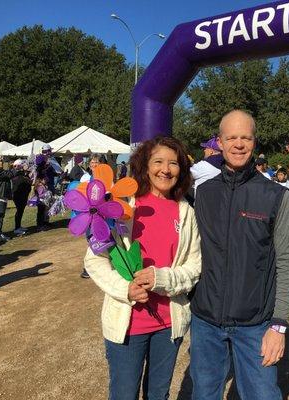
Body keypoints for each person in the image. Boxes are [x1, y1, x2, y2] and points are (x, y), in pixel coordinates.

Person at [83, 136, 201, 400]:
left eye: (173, 163)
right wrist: (126, 289)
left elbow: (194, 267)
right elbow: (94, 260)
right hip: (128, 323)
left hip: (169, 323)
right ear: (145, 166)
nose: (165, 169)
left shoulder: (186, 212)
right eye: (158, 161)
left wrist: (161, 278)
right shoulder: (123, 207)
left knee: (158, 395)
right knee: (124, 394)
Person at [190, 110, 289, 400]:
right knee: (203, 395)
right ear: (220, 143)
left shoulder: (276, 195)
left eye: (246, 137)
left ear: (254, 142)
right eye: (231, 137)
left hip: (255, 324)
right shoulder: (203, 193)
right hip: (205, 321)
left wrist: (279, 325)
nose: (239, 144)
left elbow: (287, 262)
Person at [12, 159, 32, 236]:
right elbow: (20, 181)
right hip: (18, 195)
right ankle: (17, 228)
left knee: (21, 211)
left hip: (23, 194)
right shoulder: (16, 173)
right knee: (19, 210)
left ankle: (18, 226)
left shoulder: (23, 173)